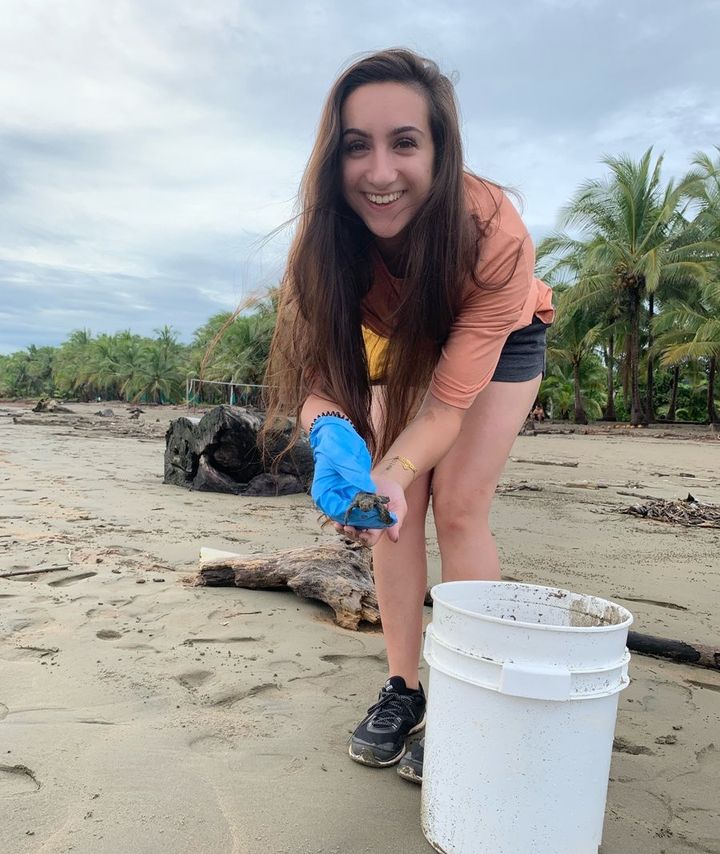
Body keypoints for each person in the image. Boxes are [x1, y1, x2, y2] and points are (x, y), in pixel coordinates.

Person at [262, 48, 554, 784]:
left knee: (457, 502)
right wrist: (333, 434)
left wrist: (395, 461)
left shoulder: (495, 236)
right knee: (390, 508)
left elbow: (448, 405)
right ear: (333, 158)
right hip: (404, 335)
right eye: (356, 146)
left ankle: (469, 689)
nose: (380, 172)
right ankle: (404, 686)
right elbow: (321, 382)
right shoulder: (323, 243)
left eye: (404, 143)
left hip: (502, 335)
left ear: (440, 150)